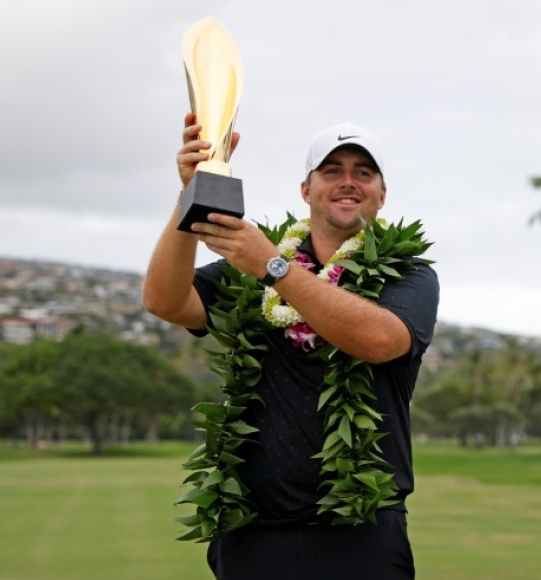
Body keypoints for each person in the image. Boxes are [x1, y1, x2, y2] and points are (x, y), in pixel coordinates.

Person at [142, 113, 439, 580]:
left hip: (362, 530)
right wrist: (190, 196)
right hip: (251, 530)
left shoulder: (410, 275)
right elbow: (165, 300)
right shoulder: (250, 267)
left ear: (382, 194)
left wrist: (274, 268)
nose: (348, 182)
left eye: (363, 172)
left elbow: (380, 340)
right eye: (332, 171)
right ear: (306, 189)